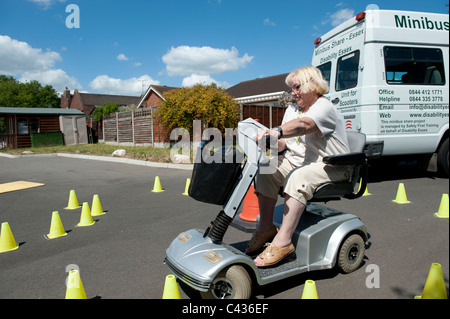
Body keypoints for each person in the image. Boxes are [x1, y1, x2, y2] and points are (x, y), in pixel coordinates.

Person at [246, 66, 352, 267]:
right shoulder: (292, 109)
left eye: (297, 87)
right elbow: (285, 144)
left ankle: (283, 242)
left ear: (313, 84)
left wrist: (276, 130)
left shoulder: (324, 107)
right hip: (302, 161)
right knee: (266, 168)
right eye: (291, 89)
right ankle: (266, 228)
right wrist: (268, 139)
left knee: (298, 177)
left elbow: (304, 125)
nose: (293, 93)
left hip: (333, 165)